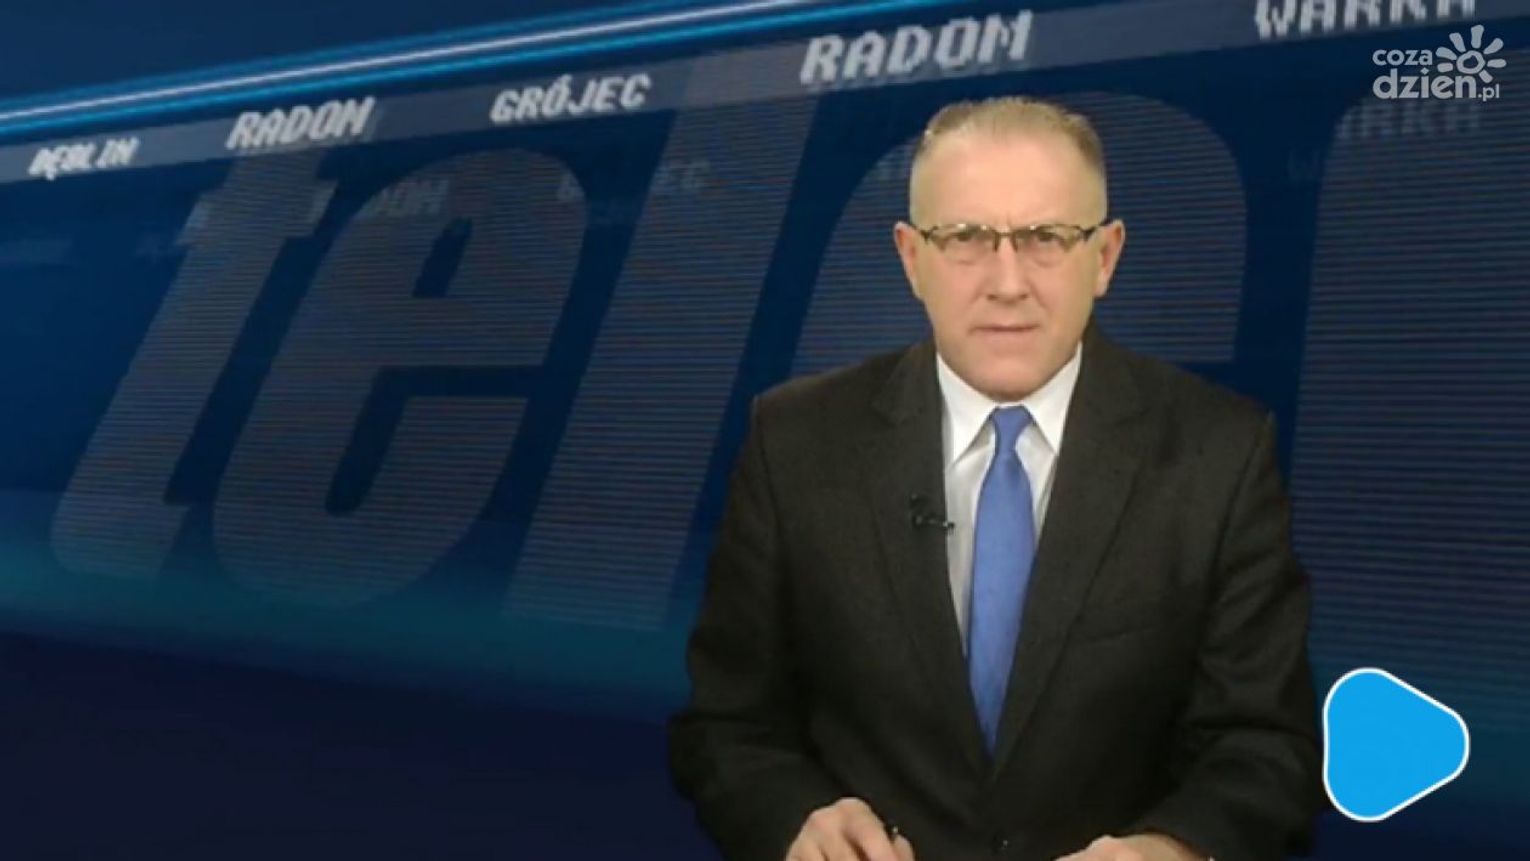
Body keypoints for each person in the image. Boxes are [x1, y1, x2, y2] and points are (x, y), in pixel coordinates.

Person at [667, 96, 1322, 861]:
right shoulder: (794, 442)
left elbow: (1266, 746)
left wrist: (1170, 849)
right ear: (912, 257)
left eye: (1045, 237)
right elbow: (725, 725)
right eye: (966, 238)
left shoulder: (1221, 453)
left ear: (1104, 256)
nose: (1007, 282)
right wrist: (792, 818)